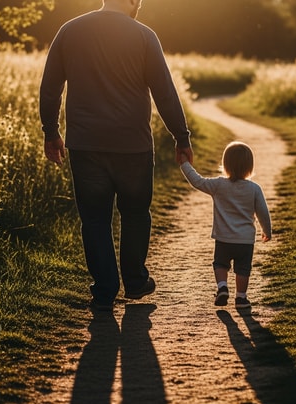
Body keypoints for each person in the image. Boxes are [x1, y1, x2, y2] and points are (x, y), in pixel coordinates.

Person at [39, 0, 194, 312]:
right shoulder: (144, 36)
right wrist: (181, 135)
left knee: (94, 219)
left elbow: (50, 86)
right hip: (133, 145)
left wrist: (50, 130)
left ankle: (105, 290)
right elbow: (164, 91)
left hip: (85, 144)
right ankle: (135, 282)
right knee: (136, 213)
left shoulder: (70, 31)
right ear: (131, 1)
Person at [179, 141, 271, 309]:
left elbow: (197, 181)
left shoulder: (218, 185)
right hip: (245, 241)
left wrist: (184, 164)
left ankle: (222, 287)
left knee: (220, 264)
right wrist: (267, 230)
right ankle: (241, 298)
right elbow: (263, 212)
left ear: (225, 164)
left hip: (223, 239)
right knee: (243, 269)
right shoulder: (254, 189)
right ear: (250, 166)